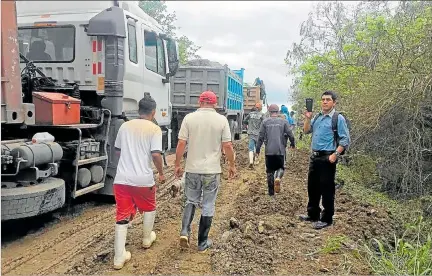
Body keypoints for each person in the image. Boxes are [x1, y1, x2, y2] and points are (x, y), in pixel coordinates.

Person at [175, 91, 236, 252]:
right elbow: (228, 146)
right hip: (212, 171)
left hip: (192, 170)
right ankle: (202, 242)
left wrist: (177, 164)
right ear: (215, 104)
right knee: (208, 204)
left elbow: (181, 143)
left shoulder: (189, 118)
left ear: (199, 102)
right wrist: (232, 165)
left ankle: (184, 231)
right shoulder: (221, 120)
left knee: (190, 200)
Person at [112, 94, 166, 269]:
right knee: (149, 207)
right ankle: (146, 239)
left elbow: (118, 151)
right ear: (153, 112)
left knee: (122, 214)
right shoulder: (154, 129)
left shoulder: (125, 126)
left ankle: (119, 257)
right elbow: (156, 154)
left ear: (138, 111)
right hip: (143, 179)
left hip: (121, 180)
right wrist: (161, 173)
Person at [299, 90, 350, 230]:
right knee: (313, 187)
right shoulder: (317, 117)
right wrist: (308, 118)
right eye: (323, 99)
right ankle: (313, 214)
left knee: (327, 189)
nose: (325, 102)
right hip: (314, 157)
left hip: (328, 157)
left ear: (334, 102)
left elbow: (345, 140)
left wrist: (335, 155)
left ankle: (327, 218)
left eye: (328, 99)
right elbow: (306, 131)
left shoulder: (338, 118)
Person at [256, 104, 295, 197]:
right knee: (280, 167)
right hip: (280, 150)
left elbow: (260, 136)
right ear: (278, 112)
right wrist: (292, 143)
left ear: (269, 112)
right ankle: (278, 177)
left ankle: (271, 194)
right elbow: (290, 134)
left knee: (269, 171)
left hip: (269, 151)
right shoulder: (283, 121)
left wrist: (257, 150)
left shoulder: (265, 122)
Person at [243, 102, 264, 168]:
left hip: (251, 133)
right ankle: (256, 160)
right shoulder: (262, 115)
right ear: (260, 108)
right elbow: (264, 124)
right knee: (257, 147)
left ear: (255, 107)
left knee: (251, 148)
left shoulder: (250, 114)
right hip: (258, 134)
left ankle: (251, 161)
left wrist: (247, 127)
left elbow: (244, 121)